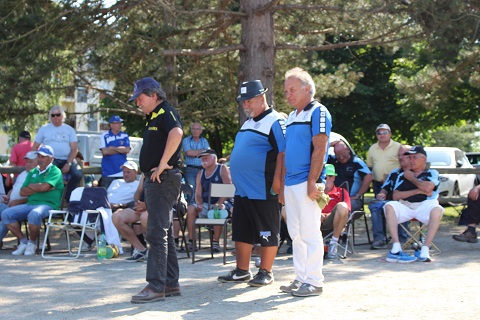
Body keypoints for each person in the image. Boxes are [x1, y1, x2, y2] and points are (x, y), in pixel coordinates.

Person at [218, 80, 285, 288]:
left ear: (262, 98)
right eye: (243, 102)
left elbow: (283, 153)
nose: (245, 105)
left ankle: (266, 271)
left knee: (267, 229)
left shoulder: (275, 121)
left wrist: (278, 182)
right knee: (241, 230)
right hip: (243, 190)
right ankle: (242, 270)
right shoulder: (248, 122)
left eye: (249, 101)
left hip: (263, 187)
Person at [128, 77, 183, 304]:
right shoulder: (154, 116)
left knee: (156, 232)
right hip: (158, 179)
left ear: (153, 95)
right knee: (164, 231)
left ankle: (155, 286)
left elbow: (177, 133)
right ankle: (170, 283)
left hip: (163, 178)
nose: (138, 103)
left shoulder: (165, 112)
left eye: (140, 98)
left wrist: (161, 164)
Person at [280, 67, 330, 297]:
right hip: (291, 184)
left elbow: (320, 148)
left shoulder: (319, 112)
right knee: (296, 233)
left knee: (310, 232)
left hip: (307, 183)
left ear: (307, 89)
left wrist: (313, 181)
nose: (288, 95)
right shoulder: (291, 116)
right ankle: (301, 278)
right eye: (286, 91)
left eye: (292, 90)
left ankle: (315, 281)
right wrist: (282, 185)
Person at [384, 146, 443, 263]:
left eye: (415, 157)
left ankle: (425, 249)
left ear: (424, 159)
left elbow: (429, 188)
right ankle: (396, 248)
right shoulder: (402, 175)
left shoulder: (432, 173)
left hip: (425, 205)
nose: (411, 160)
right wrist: (418, 190)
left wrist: (412, 179)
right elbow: (395, 195)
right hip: (406, 206)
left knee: (437, 209)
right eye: (409, 157)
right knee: (389, 205)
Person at [1, 145, 64, 256]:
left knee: (34, 214)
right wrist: (41, 187)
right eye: (39, 156)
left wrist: (33, 187)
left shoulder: (55, 171)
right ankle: (23, 242)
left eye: (43, 156)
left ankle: (32, 243)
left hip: (48, 205)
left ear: (51, 158)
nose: (40, 159)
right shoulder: (33, 171)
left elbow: (42, 188)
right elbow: (22, 192)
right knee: (6, 214)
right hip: (30, 203)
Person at [186, 149, 232, 252]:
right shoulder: (200, 173)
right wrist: (199, 203)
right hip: (206, 203)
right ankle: (191, 242)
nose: (203, 160)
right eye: (202, 159)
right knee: (190, 208)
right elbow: (198, 194)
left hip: (222, 202)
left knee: (217, 210)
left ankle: (215, 242)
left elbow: (229, 188)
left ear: (214, 158)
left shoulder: (222, 168)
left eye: (206, 158)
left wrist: (219, 202)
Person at [32, 105, 82, 200]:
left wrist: (68, 163)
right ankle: (49, 197)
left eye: (58, 115)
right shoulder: (44, 129)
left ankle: (67, 196)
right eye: (53, 115)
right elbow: (35, 146)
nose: (55, 117)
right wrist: (35, 159)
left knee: (78, 173)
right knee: (50, 175)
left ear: (62, 116)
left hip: (67, 158)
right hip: (49, 159)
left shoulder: (69, 129)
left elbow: (74, 149)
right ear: (50, 117)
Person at [368, 145, 411, 249]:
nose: (400, 158)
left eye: (404, 155)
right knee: (376, 205)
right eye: (399, 155)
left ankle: (402, 238)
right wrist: (381, 193)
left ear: (412, 157)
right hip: (390, 203)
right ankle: (379, 239)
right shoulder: (394, 172)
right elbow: (385, 188)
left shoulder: (416, 173)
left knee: (400, 205)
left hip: (409, 203)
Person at [0, 151, 38, 247]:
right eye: (27, 161)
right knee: (4, 209)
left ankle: (23, 242)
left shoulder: (37, 175)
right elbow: (14, 189)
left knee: (7, 214)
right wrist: (7, 197)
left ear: (38, 162)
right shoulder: (23, 174)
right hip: (10, 202)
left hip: (23, 205)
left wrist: (17, 202)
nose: (28, 164)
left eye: (31, 162)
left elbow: (35, 196)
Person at [328, 141, 373, 212]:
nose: (341, 157)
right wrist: (329, 145)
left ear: (348, 150)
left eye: (343, 154)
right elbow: (318, 155)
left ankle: (342, 222)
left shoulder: (356, 162)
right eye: (338, 155)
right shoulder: (332, 160)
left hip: (351, 199)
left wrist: (358, 195)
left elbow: (369, 177)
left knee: (343, 207)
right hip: (334, 198)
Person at [112, 175, 149, 262]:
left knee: (145, 217)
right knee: (117, 217)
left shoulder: (163, 170)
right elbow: (139, 191)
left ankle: (155, 251)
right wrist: (137, 203)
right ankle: (141, 250)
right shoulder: (144, 173)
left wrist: (147, 206)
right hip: (142, 206)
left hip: (157, 207)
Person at [321, 164, 350, 259]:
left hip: (333, 222)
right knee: (286, 209)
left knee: (342, 206)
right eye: (321, 176)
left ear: (333, 177)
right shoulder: (313, 192)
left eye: (326, 177)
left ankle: (333, 243)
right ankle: (297, 244)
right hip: (313, 220)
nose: (324, 179)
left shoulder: (341, 192)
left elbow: (347, 210)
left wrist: (327, 215)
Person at [367, 124, 401, 196]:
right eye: (379, 133)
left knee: (394, 204)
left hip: (395, 183)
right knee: (379, 205)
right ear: (376, 135)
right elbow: (370, 166)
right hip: (377, 183)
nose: (382, 135)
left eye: (385, 132)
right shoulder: (372, 148)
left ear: (390, 134)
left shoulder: (398, 147)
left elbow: (404, 164)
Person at [99, 115, 131, 189]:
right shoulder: (104, 136)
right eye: (118, 123)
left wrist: (112, 148)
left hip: (122, 172)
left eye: (121, 123)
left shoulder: (124, 135)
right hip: (108, 172)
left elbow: (127, 150)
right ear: (111, 125)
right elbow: (105, 152)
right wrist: (120, 150)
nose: (120, 125)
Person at [182, 122, 210, 197]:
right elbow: (189, 153)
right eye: (193, 129)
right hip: (190, 169)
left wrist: (195, 153)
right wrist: (202, 152)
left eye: (197, 129)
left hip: (203, 170)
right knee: (191, 190)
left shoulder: (204, 141)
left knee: (203, 190)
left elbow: (208, 153)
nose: (195, 131)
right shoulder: (186, 140)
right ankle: (191, 207)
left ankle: (201, 207)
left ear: (201, 131)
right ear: (191, 130)